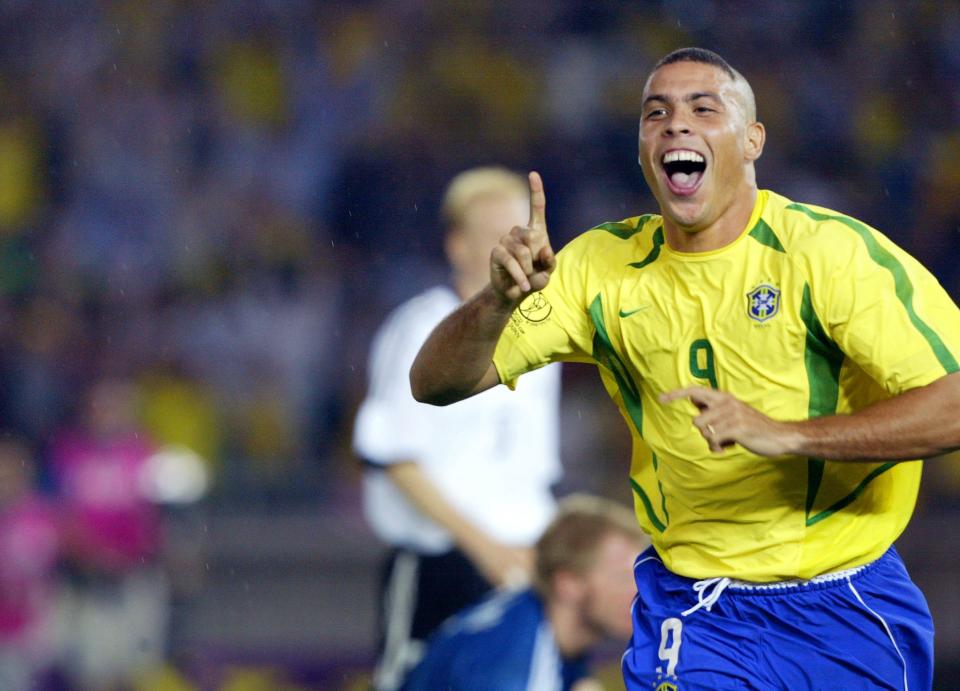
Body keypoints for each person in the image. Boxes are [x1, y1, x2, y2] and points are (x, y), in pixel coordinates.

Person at [410, 47, 960, 690]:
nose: (676, 124)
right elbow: (434, 385)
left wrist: (792, 435)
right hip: (695, 613)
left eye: (704, 108)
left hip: (842, 606)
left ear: (752, 140)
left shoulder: (830, 256)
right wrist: (495, 303)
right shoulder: (596, 270)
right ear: (644, 147)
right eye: (656, 113)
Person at [353, 167, 563, 691]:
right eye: (497, 231)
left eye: (523, 227)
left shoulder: (546, 332)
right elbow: (394, 458)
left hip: (526, 561)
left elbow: (531, 468)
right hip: (442, 563)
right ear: (457, 245)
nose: (514, 243)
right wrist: (484, 547)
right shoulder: (421, 327)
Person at [401, 494, 648, 691]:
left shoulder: (535, 624)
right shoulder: (508, 667)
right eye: (624, 577)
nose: (644, 593)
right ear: (568, 585)